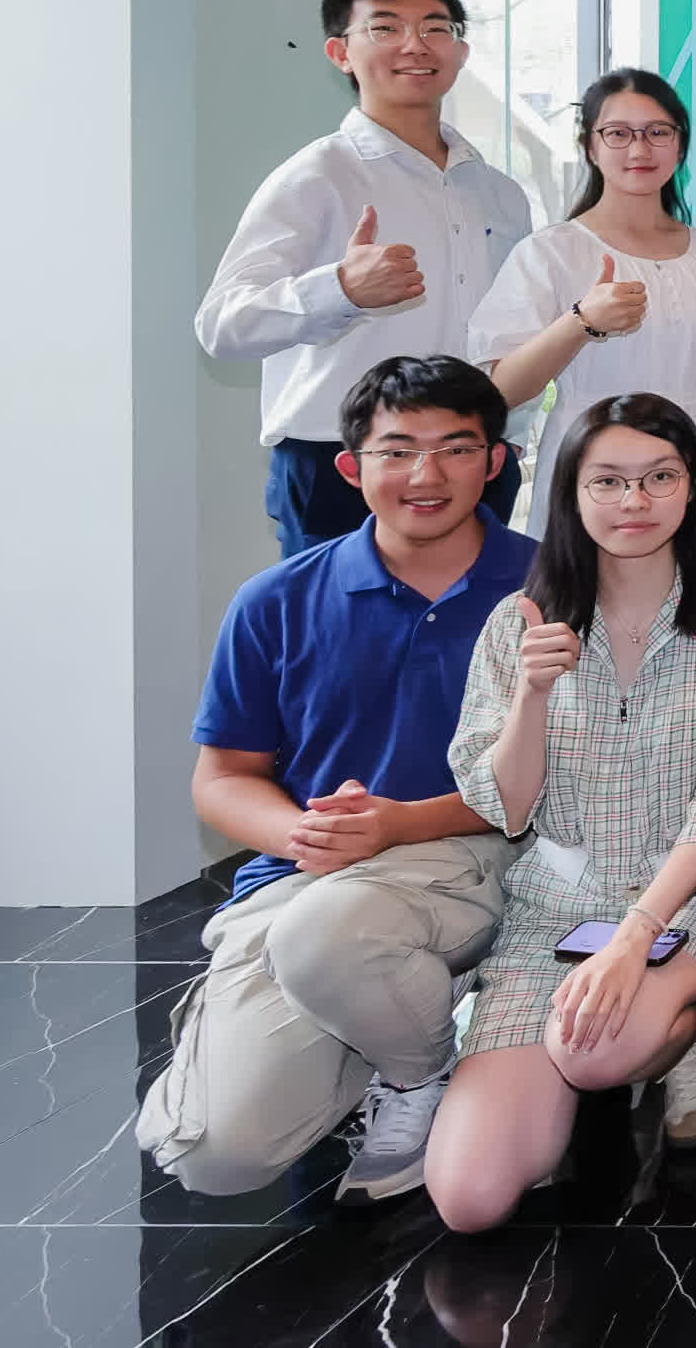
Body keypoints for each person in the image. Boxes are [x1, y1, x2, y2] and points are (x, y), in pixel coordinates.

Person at [136, 355, 532, 1204]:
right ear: (351, 467)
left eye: (456, 448)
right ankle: (394, 1016)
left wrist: (398, 826)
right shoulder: (275, 600)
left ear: (495, 462)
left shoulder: (554, 588)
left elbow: (581, 778)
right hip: (314, 881)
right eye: (398, 451)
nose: (426, 475)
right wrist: (305, 833)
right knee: (218, 1157)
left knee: (332, 936)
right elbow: (222, 778)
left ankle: (419, 1069)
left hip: (496, 857)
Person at [422, 395, 696, 1232]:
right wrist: (531, 694)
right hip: (556, 903)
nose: (635, 501)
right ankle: (592, 1032)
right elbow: (507, 806)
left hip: (693, 896)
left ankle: (685, 1030)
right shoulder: (520, 622)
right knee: (469, 1199)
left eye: (660, 478)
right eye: (609, 481)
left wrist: (633, 941)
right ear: (571, 493)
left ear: (694, 489)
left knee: (595, 1052)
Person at [197, 0, 535, 554]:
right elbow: (223, 325)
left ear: (460, 51)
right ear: (340, 53)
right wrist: (341, 290)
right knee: (339, 619)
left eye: (436, 28)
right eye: (384, 28)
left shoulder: (500, 193)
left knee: (480, 618)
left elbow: (511, 333)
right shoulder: (317, 176)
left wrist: (512, 442)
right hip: (343, 462)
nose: (414, 45)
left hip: (476, 458)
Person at [470, 70, 696, 554]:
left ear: (680, 145)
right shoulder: (550, 253)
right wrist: (581, 322)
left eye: (657, 132)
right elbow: (500, 388)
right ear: (590, 147)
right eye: (618, 133)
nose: (639, 149)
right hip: (589, 475)